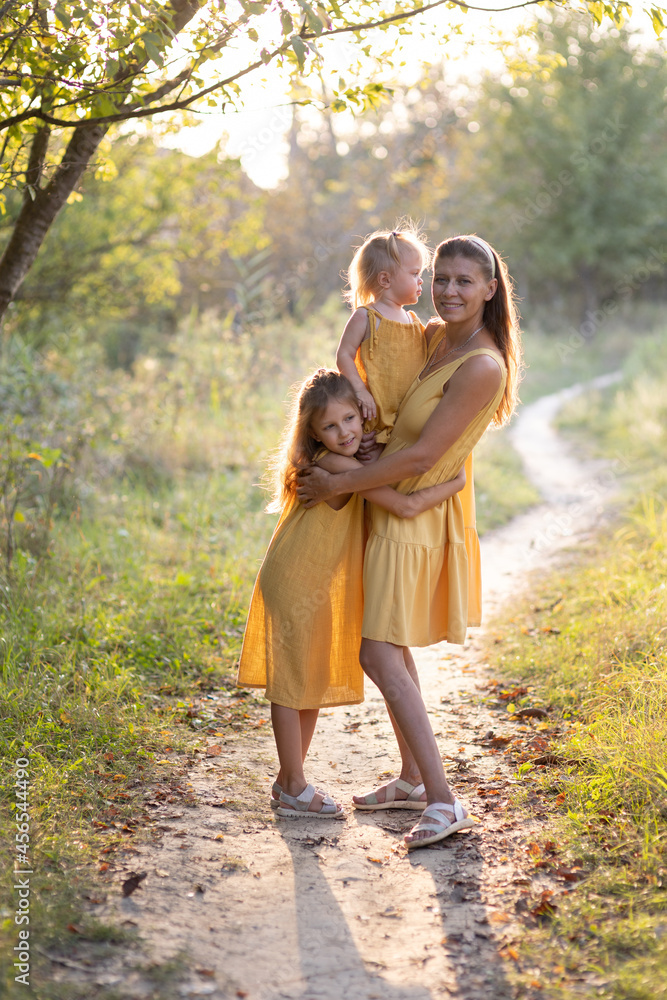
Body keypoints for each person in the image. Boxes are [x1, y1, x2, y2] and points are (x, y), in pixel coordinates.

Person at [296, 235, 522, 847]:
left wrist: (337, 482)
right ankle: (414, 779)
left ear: (490, 289)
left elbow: (426, 454)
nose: (447, 290)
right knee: (391, 647)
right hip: (390, 500)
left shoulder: (482, 365)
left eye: (463, 281)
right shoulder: (434, 337)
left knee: (376, 654)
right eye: (440, 277)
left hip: (413, 517)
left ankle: (445, 800)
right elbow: (385, 387)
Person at [237, 368, 466, 819]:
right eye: (329, 426)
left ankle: (290, 782)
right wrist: (456, 482)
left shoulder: (347, 462)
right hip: (295, 581)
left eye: (349, 420)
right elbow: (403, 504)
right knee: (291, 684)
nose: (343, 432)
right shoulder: (339, 466)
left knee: (307, 682)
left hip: (308, 581)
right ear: (314, 434)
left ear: (362, 416)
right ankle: (292, 785)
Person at [336, 226, 430, 443]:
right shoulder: (367, 317)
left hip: (406, 421)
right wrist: (360, 391)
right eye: (414, 274)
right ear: (385, 280)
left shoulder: (414, 322)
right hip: (375, 419)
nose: (421, 280)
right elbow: (344, 355)